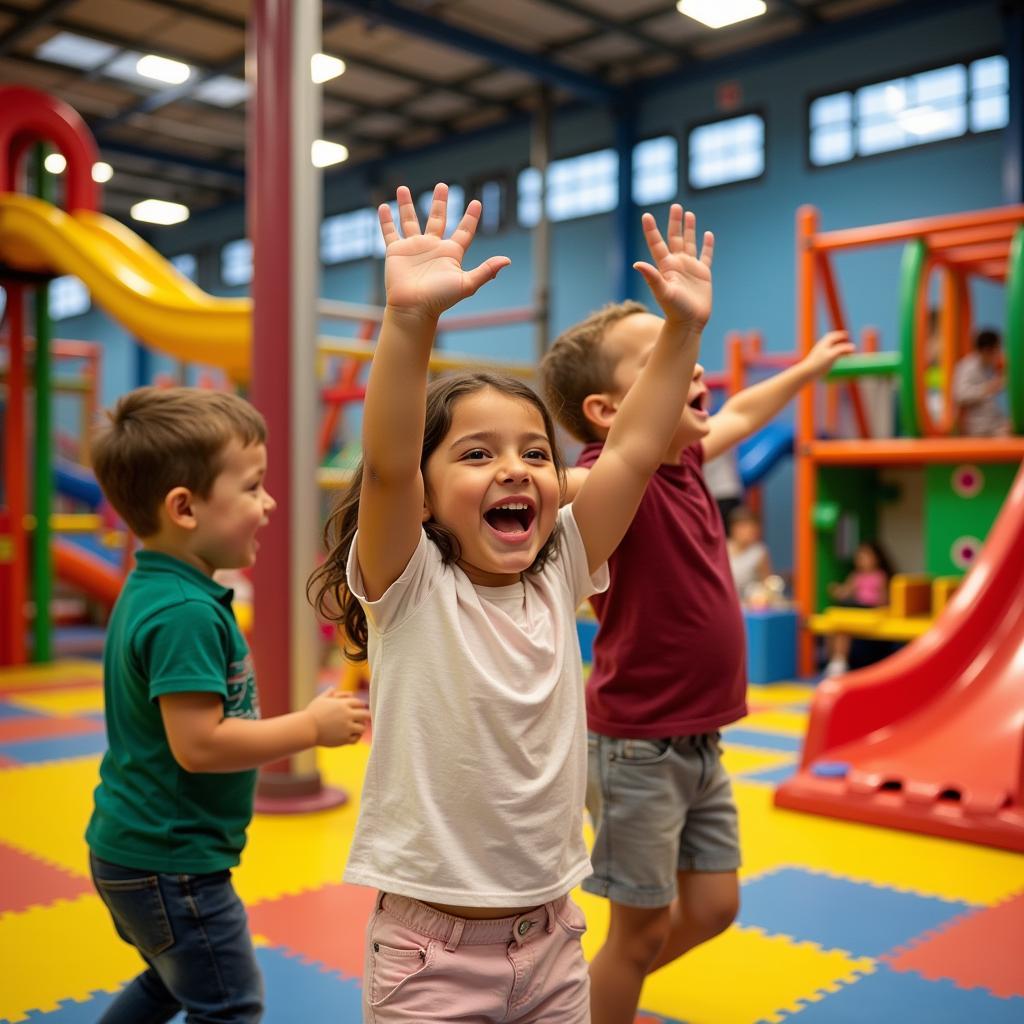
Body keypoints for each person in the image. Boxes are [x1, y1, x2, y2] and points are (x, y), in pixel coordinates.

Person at [309, 183, 714, 1023]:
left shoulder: (561, 567)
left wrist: (683, 329)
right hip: (432, 955)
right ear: (424, 495)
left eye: (536, 450)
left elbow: (635, 449)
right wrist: (410, 320)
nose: (517, 468)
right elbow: (386, 463)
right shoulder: (411, 582)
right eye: (476, 453)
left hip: (553, 939)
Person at [540, 311, 852, 1024]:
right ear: (609, 411)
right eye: (666, 356)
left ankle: (587, 997)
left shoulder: (683, 461)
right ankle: (593, 1003)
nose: (699, 368)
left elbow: (743, 407)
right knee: (637, 932)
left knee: (715, 906)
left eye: (692, 352)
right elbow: (561, 485)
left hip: (701, 739)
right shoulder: (614, 476)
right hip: (636, 746)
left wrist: (806, 370)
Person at [86, 387, 370, 1024]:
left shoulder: (162, 587)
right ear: (184, 508)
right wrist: (309, 728)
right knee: (231, 1007)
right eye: (251, 487)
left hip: (143, 854)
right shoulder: (183, 612)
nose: (268, 504)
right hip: (170, 865)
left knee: (169, 984)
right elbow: (200, 744)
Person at [823, 539, 893, 677]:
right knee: (838, 622)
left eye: (866, 556)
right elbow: (845, 592)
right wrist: (836, 591)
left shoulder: (879, 576)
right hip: (857, 609)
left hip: (870, 610)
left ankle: (839, 661)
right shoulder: (856, 576)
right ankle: (837, 660)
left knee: (844, 617)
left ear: (876, 559)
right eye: (860, 557)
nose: (862, 560)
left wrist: (881, 606)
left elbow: (884, 599)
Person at [952, 328, 1010, 437]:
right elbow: (960, 394)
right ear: (987, 350)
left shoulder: (988, 367)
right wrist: (989, 387)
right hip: (977, 428)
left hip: (993, 423)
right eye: (998, 348)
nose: (999, 353)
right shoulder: (967, 366)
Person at [726, 504, 771, 599]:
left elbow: (767, 583)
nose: (748, 531)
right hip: (726, 600)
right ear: (734, 528)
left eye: (752, 527)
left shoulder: (759, 552)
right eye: (743, 527)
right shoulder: (723, 547)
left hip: (749, 604)